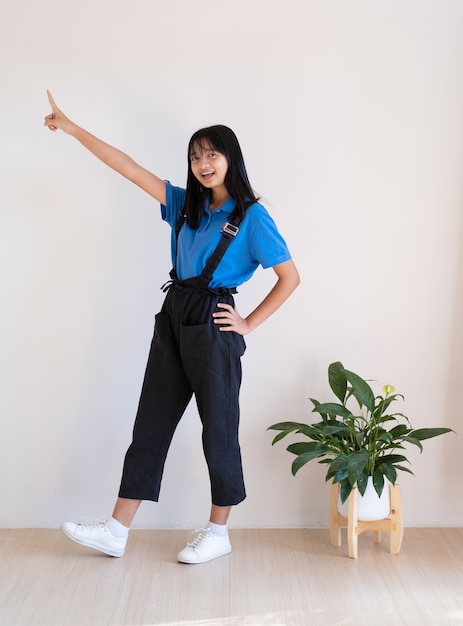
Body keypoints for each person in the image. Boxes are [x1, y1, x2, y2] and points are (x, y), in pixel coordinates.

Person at [44, 90, 300, 564]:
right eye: (195, 156)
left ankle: (218, 532)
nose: (203, 164)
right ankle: (117, 530)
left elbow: (290, 277)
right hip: (174, 318)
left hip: (214, 325)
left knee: (217, 430)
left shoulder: (252, 217)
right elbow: (129, 168)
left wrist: (246, 323)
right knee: (151, 423)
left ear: (230, 159)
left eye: (212, 155)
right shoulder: (186, 205)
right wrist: (74, 128)